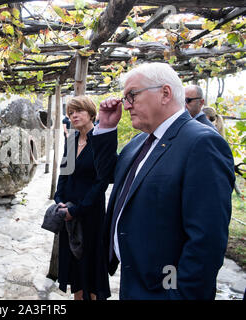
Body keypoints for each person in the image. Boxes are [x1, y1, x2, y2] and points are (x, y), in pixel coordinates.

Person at [90, 62, 235, 299]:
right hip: (135, 281)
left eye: (132, 96)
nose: (126, 106)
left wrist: (179, 295)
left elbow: (206, 241)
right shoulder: (141, 141)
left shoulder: (202, 143)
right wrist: (105, 127)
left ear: (165, 93)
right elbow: (109, 174)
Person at [54, 96, 114, 300]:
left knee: (90, 263)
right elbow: (64, 172)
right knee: (73, 264)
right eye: (71, 112)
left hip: (90, 213)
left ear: (91, 114)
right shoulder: (71, 139)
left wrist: (77, 210)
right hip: (68, 210)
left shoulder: (100, 140)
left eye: (79, 111)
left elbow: (101, 182)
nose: (74, 115)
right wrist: (59, 199)